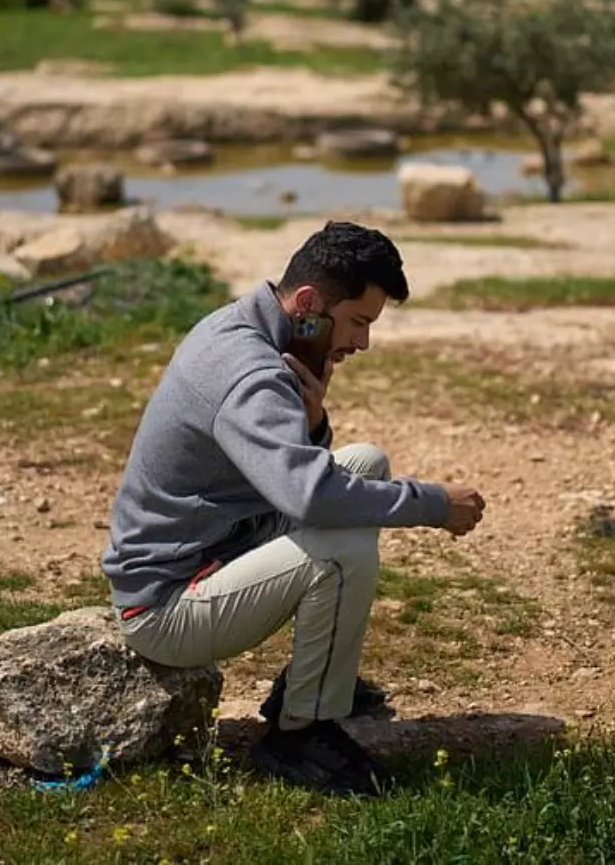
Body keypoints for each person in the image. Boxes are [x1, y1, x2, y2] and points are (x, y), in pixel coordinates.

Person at [100, 221, 487, 796]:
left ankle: (309, 686)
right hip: (166, 606)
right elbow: (311, 497)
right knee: (340, 548)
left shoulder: (249, 331)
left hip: (219, 547)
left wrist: (312, 423)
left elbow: (298, 476)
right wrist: (433, 504)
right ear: (308, 304)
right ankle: (300, 737)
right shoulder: (249, 372)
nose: (362, 343)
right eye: (358, 322)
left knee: (364, 463)